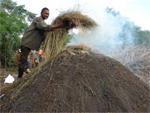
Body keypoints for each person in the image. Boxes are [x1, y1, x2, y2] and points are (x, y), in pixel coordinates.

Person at [18, 7, 64, 78]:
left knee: (23, 60)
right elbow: (44, 27)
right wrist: (58, 26)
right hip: (27, 42)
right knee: (23, 61)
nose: (47, 15)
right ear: (41, 13)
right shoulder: (38, 19)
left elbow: (45, 33)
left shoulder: (43, 22)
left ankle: (19, 77)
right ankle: (29, 74)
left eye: (48, 14)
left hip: (30, 44)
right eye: (45, 13)